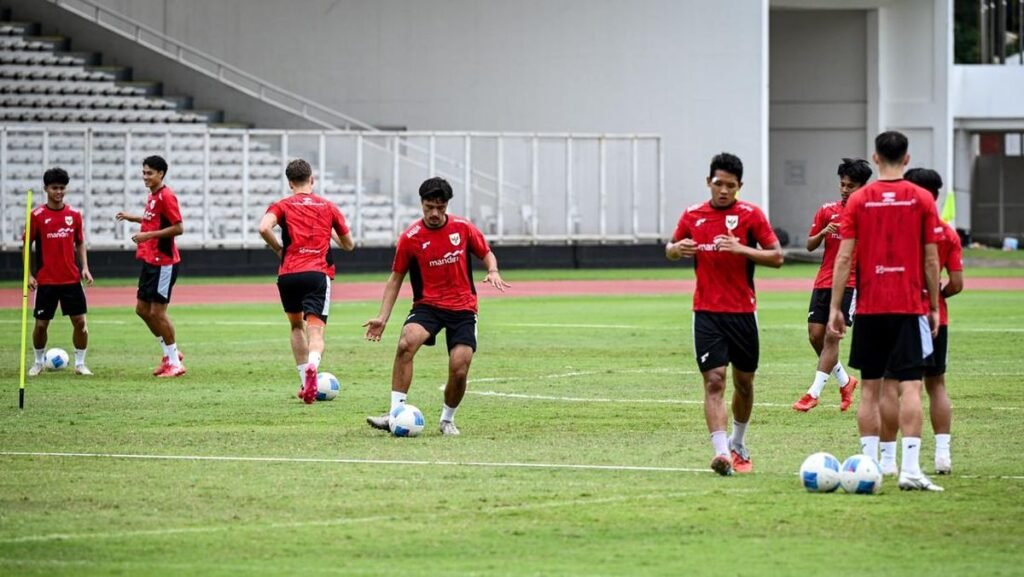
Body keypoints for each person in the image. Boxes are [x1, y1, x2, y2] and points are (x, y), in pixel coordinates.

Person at [827, 131, 944, 492]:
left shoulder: (859, 200)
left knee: (870, 390)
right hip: (908, 306)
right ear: (906, 159)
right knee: (910, 388)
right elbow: (931, 259)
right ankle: (910, 470)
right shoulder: (921, 198)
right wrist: (933, 306)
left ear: (876, 159)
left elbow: (844, 257)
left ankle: (870, 466)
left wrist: (835, 307)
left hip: (870, 307)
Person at [665, 153, 783, 476]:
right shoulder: (692, 215)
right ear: (709, 182)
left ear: (739, 186)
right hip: (706, 313)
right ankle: (721, 454)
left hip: (743, 313)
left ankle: (738, 443)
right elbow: (670, 247)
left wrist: (741, 249)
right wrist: (676, 250)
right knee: (714, 381)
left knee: (744, 384)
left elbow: (777, 257)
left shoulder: (751, 215)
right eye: (718, 184)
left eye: (731, 185)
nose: (724, 191)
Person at [364, 177, 510, 436]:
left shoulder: (463, 228)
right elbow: (395, 279)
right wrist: (382, 317)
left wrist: (493, 269)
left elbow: (486, 252)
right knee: (406, 343)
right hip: (427, 306)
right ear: (421, 203)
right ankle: (395, 413)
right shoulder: (410, 237)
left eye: (440, 208)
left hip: (463, 308)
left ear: (446, 205)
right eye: (429, 207)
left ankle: (447, 420)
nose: (434, 213)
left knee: (460, 366)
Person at [876, 168, 963, 476]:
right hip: (935, 316)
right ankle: (942, 456)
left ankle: (888, 460)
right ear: (936, 195)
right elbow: (957, 283)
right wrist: (936, 297)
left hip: (898, 312)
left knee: (891, 384)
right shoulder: (948, 233)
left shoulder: (894, 228)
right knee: (936, 384)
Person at [258, 159, 354, 404]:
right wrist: (328, 231)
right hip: (317, 274)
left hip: (288, 275)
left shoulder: (281, 205)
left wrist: (278, 249)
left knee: (295, 327)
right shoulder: (328, 207)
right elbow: (349, 245)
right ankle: (313, 365)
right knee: (316, 330)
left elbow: (263, 228)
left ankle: (304, 381)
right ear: (312, 179)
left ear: (290, 183)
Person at [792, 159, 871, 412]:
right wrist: (824, 231)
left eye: (851, 186)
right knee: (815, 336)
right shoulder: (827, 210)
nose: (845, 189)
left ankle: (812, 394)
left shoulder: (870, 214)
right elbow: (810, 245)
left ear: (863, 186)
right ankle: (846, 381)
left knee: (831, 336)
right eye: (842, 184)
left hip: (851, 283)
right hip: (824, 281)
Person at [115, 155, 186, 378]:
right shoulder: (153, 196)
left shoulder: (167, 196)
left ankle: (175, 362)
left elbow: (178, 228)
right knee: (142, 310)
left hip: (164, 263)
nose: (145, 177)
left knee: (157, 312)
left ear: (161, 174)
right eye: (144, 172)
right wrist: (133, 218)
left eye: (150, 173)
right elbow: (153, 220)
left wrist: (148, 235)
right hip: (149, 260)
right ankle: (169, 354)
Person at [25, 167, 94, 376]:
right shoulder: (36, 215)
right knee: (40, 325)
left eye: (62, 188)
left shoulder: (74, 215)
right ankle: (38, 362)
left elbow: (80, 242)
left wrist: (85, 267)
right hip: (46, 280)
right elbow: (26, 245)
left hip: (71, 279)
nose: (59, 192)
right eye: (54, 188)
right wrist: (28, 274)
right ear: (46, 188)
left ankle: (80, 364)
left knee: (80, 323)